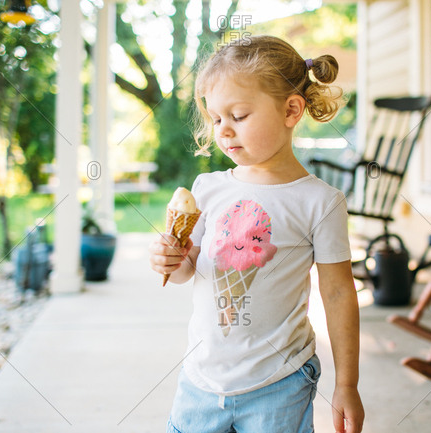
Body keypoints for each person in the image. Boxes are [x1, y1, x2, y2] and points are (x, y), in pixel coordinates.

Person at [149, 35, 364, 433]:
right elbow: (187, 270)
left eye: (239, 116)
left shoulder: (320, 201)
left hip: (279, 384)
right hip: (201, 380)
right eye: (216, 119)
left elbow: (338, 294)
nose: (224, 131)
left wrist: (346, 383)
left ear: (291, 109)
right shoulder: (208, 188)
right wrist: (170, 260)